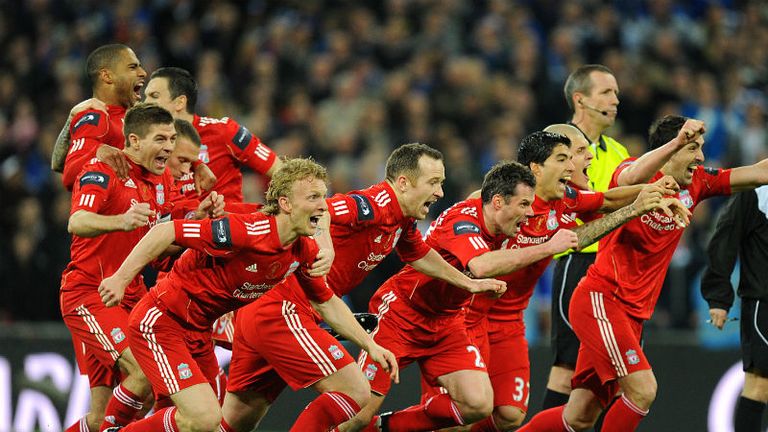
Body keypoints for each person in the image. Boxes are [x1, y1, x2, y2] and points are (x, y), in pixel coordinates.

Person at [219, 143, 506, 432]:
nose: (440, 193)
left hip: (272, 307)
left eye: (441, 183)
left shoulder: (402, 220)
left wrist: (467, 282)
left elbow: (419, 254)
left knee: (237, 417)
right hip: (284, 308)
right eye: (433, 182)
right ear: (404, 183)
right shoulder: (376, 203)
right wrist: (326, 246)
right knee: (354, 392)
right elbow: (322, 209)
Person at [97, 158, 398, 432]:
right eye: (313, 198)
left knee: (211, 427)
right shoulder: (247, 232)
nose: (323, 206)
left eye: (323, 196)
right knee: (204, 419)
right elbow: (165, 233)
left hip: (198, 332)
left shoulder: (301, 250)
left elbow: (326, 301)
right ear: (286, 203)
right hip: (162, 322)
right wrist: (121, 278)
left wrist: (370, 345)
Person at [518, 116, 768, 432]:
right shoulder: (629, 170)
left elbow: (758, 172)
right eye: (693, 148)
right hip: (602, 300)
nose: (700, 157)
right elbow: (629, 178)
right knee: (643, 389)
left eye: (700, 148)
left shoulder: (698, 182)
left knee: (580, 415)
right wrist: (678, 141)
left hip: (633, 315)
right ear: (671, 148)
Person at [452, 131, 684, 432]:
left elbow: (607, 200)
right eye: (566, 157)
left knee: (510, 415)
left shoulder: (565, 202)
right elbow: (478, 263)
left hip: (510, 322)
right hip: (468, 317)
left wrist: (650, 193)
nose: (579, 162)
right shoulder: (495, 202)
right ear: (537, 168)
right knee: (467, 410)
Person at [341, 160, 585, 432]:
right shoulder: (462, 219)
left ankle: (384, 427)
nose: (529, 214)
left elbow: (597, 203)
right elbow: (480, 265)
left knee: (477, 405)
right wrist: (550, 247)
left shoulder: (501, 227)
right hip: (402, 315)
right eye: (524, 205)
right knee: (356, 414)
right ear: (498, 202)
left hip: (446, 323)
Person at [60, 104, 224, 432]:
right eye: (160, 139)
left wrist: (197, 218)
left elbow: (160, 241)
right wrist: (121, 220)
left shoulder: (159, 179)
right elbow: (76, 221)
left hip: (131, 295)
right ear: (134, 141)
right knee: (145, 374)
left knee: (100, 415)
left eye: (172, 138)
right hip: (91, 294)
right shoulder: (103, 170)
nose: (168, 146)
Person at [542, 64, 632, 411]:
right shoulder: (554, 147)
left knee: (606, 371)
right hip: (576, 261)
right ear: (580, 99)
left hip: (613, 266)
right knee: (566, 368)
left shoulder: (619, 152)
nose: (616, 100)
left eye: (617, 93)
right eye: (607, 92)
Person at [51, 46, 215, 194]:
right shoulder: (97, 117)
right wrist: (96, 150)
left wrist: (197, 164)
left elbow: (172, 146)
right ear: (107, 76)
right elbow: (67, 173)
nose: (143, 73)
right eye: (132, 67)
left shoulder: (139, 115)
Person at [143, 66, 282, 202]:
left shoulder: (223, 131)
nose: (145, 103)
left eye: (154, 96)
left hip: (227, 223)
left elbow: (278, 169)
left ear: (180, 102)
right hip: (178, 222)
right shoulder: (148, 146)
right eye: (146, 96)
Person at [701, 187, 768, 432]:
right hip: (763, 304)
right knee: (760, 385)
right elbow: (725, 238)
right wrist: (718, 297)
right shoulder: (757, 194)